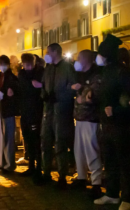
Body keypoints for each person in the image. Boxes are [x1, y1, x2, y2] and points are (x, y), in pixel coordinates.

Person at [94, 34, 130, 210]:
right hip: (106, 125)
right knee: (109, 161)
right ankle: (112, 194)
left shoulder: (122, 72)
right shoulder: (105, 71)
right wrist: (91, 95)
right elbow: (103, 94)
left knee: (125, 163)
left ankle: (128, 198)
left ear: (107, 55)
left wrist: (117, 110)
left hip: (121, 126)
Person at [41, 43, 75, 189]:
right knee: (45, 141)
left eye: (49, 51)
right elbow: (43, 85)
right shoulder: (48, 68)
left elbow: (72, 86)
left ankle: (62, 176)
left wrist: (60, 96)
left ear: (56, 52)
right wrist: (44, 95)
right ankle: (46, 172)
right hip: (48, 111)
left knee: (60, 143)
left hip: (61, 111)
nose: (47, 53)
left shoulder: (67, 67)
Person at [71, 50, 102, 199]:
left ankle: (96, 184)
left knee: (92, 152)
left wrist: (82, 96)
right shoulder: (81, 75)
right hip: (80, 119)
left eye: (78, 58)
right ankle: (81, 178)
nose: (76, 60)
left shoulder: (96, 76)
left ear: (86, 61)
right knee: (79, 151)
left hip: (91, 119)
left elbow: (92, 96)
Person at [18, 53, 44, 185]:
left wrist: (38, 86)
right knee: (28, 140)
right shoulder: (22, 74)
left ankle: (38, 168)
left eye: (30, 65)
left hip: (36, 112)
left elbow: (37, 89)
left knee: (36, 141)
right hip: (26, 112)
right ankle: (31, 166)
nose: (27, 67)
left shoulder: (40, 73)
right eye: (25, 65)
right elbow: (26, 87)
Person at [0, 55, 20, 173]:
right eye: (0, 64)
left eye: (3, 64)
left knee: (9, 139)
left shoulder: (11, 78)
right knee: (2, 138)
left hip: (8, 111)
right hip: (1, 111)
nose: (1, 66)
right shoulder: (0, 76)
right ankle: (3, 162)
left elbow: (14, 94)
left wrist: (5, 94)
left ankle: (9, 165)